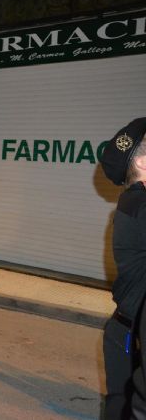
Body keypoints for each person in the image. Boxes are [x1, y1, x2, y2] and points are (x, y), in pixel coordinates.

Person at [99, 117, 146, 419]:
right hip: (132, 331)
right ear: (143, 162)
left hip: (128, 328)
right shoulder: (139, 205)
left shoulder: (134, 202)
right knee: (123, 407)